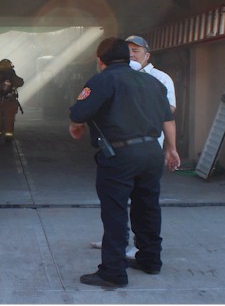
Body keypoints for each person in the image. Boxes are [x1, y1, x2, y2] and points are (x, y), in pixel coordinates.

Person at [69, 37, 180, 288]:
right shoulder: (152, 82)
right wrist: (171, 148)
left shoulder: (103, 79)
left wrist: (75, 126)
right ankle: (150, 260)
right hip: (152, 152)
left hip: (120, 155)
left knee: (115, 212)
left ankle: (113, 272)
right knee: (148, 207)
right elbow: (167, 117)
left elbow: (78, 113)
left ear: (100, 60)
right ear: (128, 58)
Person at [90, 34, 178, 257]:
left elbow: (169, 115)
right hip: (144, 152)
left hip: (135, 151)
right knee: (142, 205)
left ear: (147, 55)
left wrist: (171, 147)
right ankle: (147, 257)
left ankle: (116, 267)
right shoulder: (146, 82)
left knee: (124, 207)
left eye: (136, 50)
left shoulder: (158, 79)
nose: (131, 54)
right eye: (127, 50)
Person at [0, 59, 24, 141]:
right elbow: (21, 82)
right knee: (9, 118)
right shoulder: (12, 76)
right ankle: (8, 135)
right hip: (10, 101)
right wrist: (12, 74)